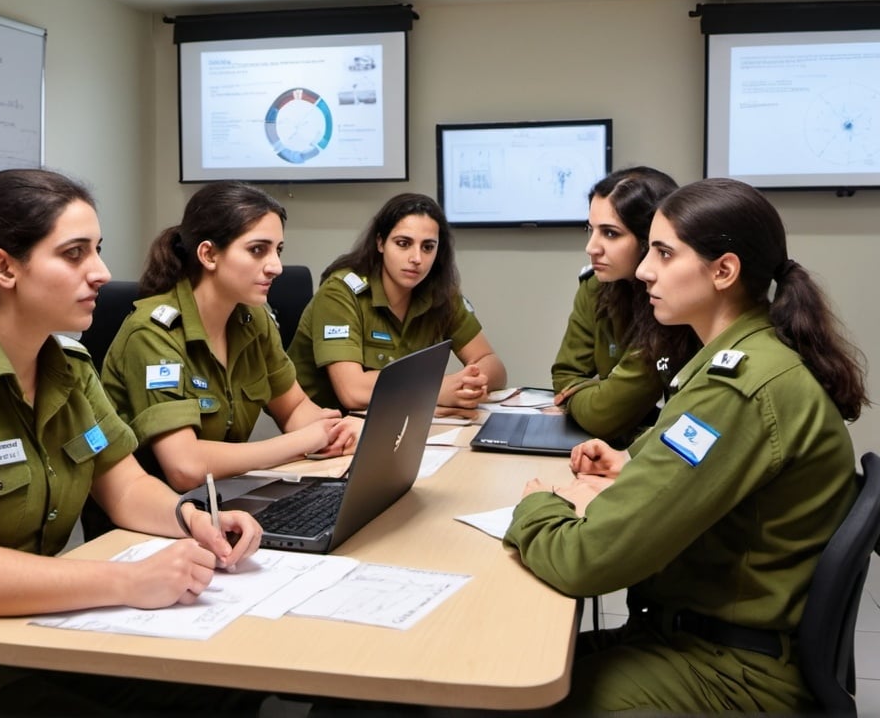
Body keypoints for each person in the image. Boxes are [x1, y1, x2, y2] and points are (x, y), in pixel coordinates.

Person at [0, 168, 264, 713]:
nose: (101, 273)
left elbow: (126, 488)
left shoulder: (68, 366)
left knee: (217, 681)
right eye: (74, 254)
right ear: (3, 267)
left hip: (21, 630)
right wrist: (127, 581)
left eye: (97, 250)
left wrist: (193, 518)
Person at [505, 178, 868, 713]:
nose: (646, 270)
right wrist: (635, 467)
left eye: (664, 253)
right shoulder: (747, 355)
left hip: (735, 673)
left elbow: (586, 560)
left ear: (723, 270)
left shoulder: (737, 387)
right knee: (522, 665)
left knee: (514, 691)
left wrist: (535, 508)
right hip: (707, 637)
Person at [100, 181, 361, 493]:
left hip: (223, 499)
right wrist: (300, 442)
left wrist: (342, 429)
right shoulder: (153, 333)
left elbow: (293, 408)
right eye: (257, 250)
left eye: (277, 250)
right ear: (209, 254)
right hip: (151, 523)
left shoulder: (253, 317)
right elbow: (185, 467)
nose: (276, 266)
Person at [288, 193, 507, 413]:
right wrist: (436, 389)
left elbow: (492, 364)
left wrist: (471, 382)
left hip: (402, 418)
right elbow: (352, 392)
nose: (416, 258)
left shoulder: (440, 295)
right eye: (403, 244)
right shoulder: (340, 293)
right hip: (329, 431)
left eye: (428, 247)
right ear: (380, 243)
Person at [550, 166, 699, 444]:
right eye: (590, 229)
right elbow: (565, 375)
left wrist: (595, 401)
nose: (591, 247)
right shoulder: (597, 285)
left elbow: (602, 416)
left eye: (610, 233)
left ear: (649, 239)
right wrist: (602, 403)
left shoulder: (675, 303)